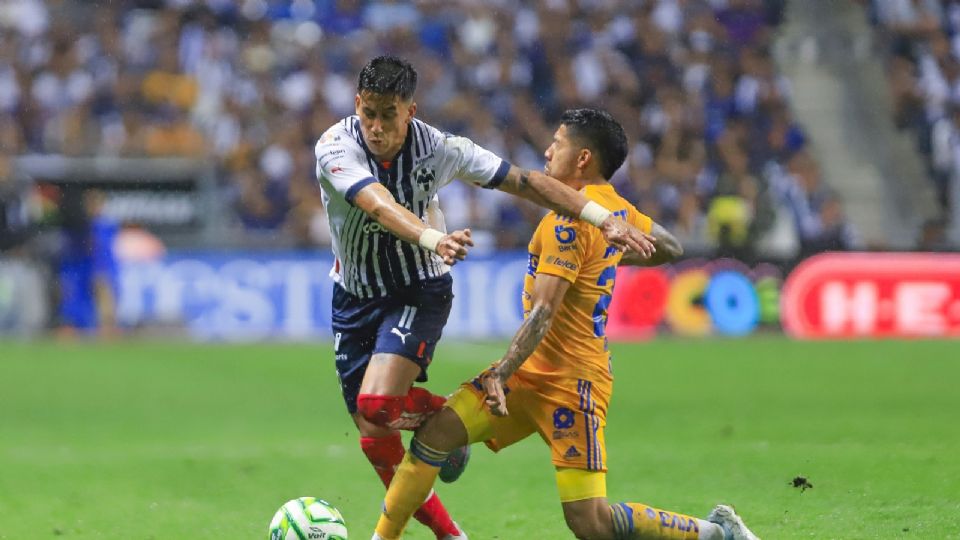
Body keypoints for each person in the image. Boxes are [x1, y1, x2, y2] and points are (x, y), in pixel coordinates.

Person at [371, 109, 761, 540]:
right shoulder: (615, 210)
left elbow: (544, 311)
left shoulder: (567, 224)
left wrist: (500, 372)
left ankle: (717, 534)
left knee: (590, 524)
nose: (547, 150)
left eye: (558, 143)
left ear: (582, 159)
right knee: (434, 437)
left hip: (570, 386)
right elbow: (669, 246)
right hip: (529, 375)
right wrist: (606, 256)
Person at [315, 58, 656, 540]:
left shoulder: (440, 148)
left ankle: (441, 446)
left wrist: (603, 217)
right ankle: (449, 516)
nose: (375, 127)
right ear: (357, 105)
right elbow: (375, 201)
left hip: (418, 287)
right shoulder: (334, 145)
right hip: (354, 294)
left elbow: (526, 181)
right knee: (374, 429)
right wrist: (434, 236)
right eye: (368, 113)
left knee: (376, 406)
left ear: (409, 111)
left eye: (387, 115)